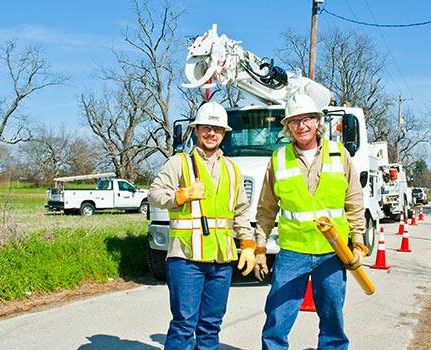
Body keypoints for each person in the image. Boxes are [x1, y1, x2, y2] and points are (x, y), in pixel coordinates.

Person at [253, 93, 366, 350]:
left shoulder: (340, 155)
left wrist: (358, 241)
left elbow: (354, 202)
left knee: (332, 318)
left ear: (317, 122)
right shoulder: (278, 159)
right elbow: (266, 209)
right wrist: (260, 248)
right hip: (293, 252)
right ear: (288, 127)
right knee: (277, 317)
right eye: (294, 121)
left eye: (307, 119)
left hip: (332, 252)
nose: (301, 125)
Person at [148, 101, 256, 350]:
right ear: (196, 130)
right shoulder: (180, 163)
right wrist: (181, 195)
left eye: (216, 129)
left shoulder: (232, 169)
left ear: (223, 134)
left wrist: (247, 243)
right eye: (206, 127)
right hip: (186, 259)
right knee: (184, 324)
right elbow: (155, 194)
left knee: (211, 325)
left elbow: (240, 210)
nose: (211, 133)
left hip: (221, 260)